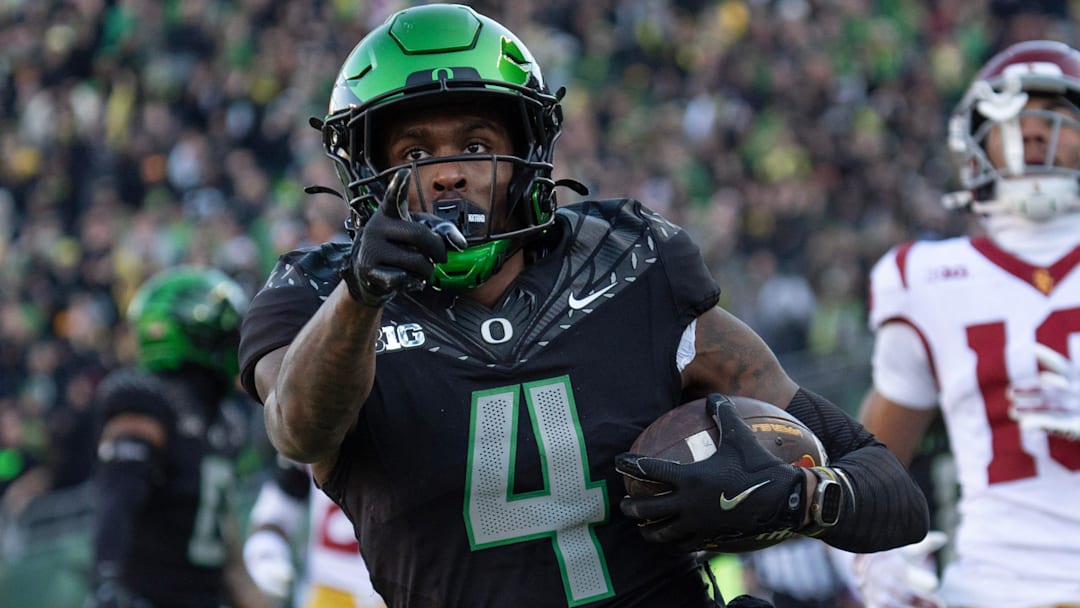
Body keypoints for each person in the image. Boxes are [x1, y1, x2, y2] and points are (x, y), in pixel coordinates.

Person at [237, 4, 930, 607]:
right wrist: (360, 298)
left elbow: (888, 490)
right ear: (365, 170)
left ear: (525, 152)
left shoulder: (629, 265)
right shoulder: (318, 294)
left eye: (475, 144)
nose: (447, 172)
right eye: (414, 151)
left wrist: (800, 497)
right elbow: (298, 429)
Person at [854, 39, 1080, 607]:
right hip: (991, 587)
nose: (1033, 131)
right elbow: (869, 463)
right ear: (974, 142)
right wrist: (867, 553)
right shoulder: (925, 278)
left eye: (1055, 114)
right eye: (1015, 116)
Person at [85, 266, 267, 608]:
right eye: (226, 336)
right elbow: (117, 499)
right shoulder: (143, 399)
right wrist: (107, 583)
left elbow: (223, 541)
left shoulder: (222, 419)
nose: (236, 345)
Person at [243, 454, 386, 608]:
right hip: (329, 590)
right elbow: (280, 504)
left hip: (403, 591)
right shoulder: (314, 434)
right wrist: (266, 550)